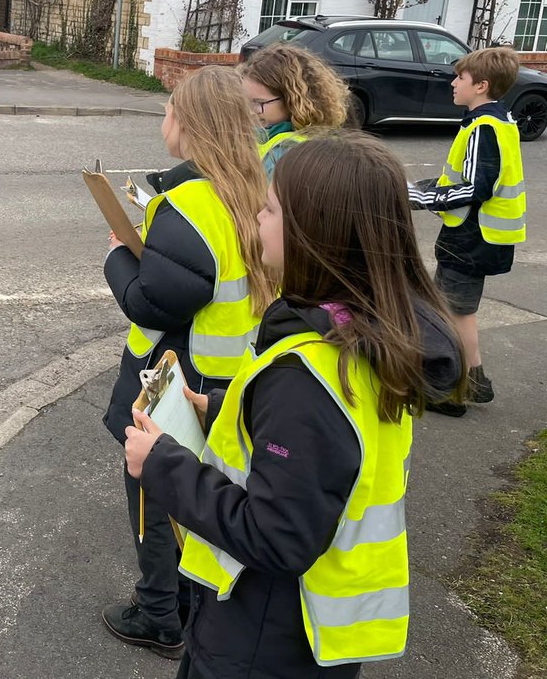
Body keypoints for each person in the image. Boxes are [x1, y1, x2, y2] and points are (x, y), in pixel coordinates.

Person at [125, 133, 464, 679]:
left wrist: (162, 462)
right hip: (309, 632)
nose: (257, 218)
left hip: (264, 634)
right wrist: (222, 410)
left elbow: (276, 535)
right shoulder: (371, 334)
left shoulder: (306, 376)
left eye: (270, 209)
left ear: (312, 233)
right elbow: (328, 453)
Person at [101, 65, 274, 659]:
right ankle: (190, 601)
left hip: (173, 382)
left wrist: (117, 257)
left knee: (154, 493)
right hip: (230, 378)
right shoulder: (255, 188)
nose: (164, 121)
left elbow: (153, 301)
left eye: (168, 110)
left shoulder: (187, 203)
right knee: (203, 494)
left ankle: (160, 614)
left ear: (190, 122)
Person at [409, 46, 526, 416]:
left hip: (472, 237)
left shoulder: (483, 127)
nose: (453, 83)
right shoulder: (499, 120)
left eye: (460, 77)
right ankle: (474, 383)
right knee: (457, 312)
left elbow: (477, 188)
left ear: (481, 86)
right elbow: (467, 178)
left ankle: (452, 392)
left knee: (451, 314)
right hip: (481, 236)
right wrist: (427, 188)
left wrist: (421, 198)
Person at [238, 43, 350, 178]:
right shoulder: (266, 133)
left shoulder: (285, 152)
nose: (250, 111)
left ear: (291, 101)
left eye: (259, 103)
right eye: (246, 101)